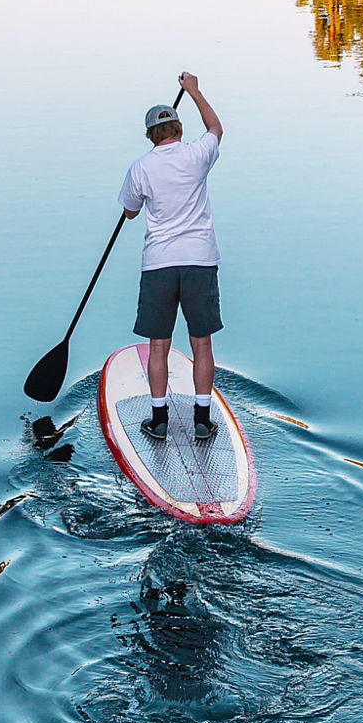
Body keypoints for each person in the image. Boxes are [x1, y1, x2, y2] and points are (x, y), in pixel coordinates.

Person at [118, 72, 224, 444]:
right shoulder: (197, 155)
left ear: (151, 136)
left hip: (159, 266)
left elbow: (130, 212)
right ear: (178, 128)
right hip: (199, 262)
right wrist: (194, 91)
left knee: (159, 346)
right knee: (201, 344)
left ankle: (159, 420)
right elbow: (216, 128)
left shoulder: (141, 167)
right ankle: (201, 420)